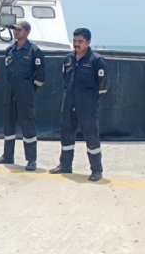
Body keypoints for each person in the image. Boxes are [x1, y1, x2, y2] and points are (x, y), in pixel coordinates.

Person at [49, 27, 108, 182]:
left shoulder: (96, 60)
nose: (76, 44)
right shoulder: (68, 59)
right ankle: (65, 165)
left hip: (87, 106)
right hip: (69, 103)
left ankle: (96, 170)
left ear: (88, 42)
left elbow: (102, 86)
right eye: (74, 41)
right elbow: (65, 79)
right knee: (66, 135)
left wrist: (90, 101)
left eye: (80, 41)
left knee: (91, 138)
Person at [0, 21, 45, 171]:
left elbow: (40, 77)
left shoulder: (34, 51)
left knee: (28, 126)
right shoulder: (10, 50)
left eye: (19, 30)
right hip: (10, 92)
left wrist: (28, 90)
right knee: (8, 124)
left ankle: (31, 160)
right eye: (15, 30)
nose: (16, 32)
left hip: (25, 94)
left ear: (27, 32)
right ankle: (8, 155)